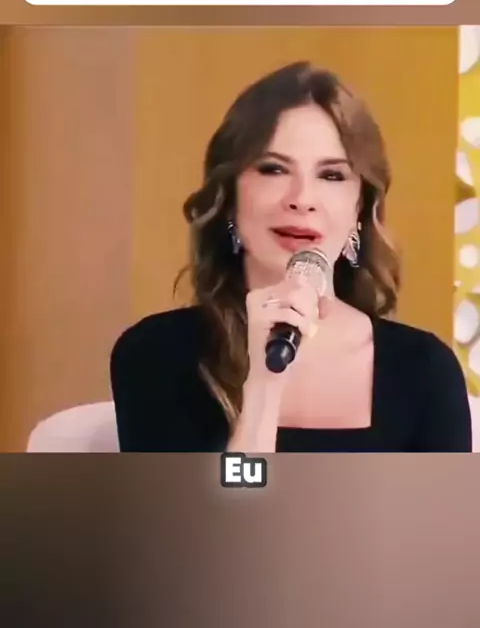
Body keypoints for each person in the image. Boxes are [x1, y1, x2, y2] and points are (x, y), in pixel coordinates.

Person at [110, 61, 472, 452]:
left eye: (332, 175)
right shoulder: (155, 355)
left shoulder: (424, 370)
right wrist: (264, 388)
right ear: (229, 198)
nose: (301, 199)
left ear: (359, 209)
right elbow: (230, 495)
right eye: (274, 169)